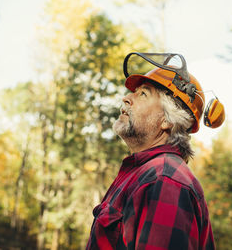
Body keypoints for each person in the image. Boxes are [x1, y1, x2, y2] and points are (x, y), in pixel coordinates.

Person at [86, 53, 224, 250]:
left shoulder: (165, 181)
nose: (126, 98)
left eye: (143, 94)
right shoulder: (144, 174)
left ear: (167, 120)